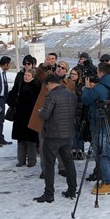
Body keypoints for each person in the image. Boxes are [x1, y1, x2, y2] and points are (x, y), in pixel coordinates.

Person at [33, 74, 77, 203]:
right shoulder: (70, 94)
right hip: (68, 133)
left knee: (49, 164)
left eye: (47, 86)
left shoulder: (51, 96)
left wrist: (40, 111)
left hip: (52, 135)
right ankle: (72, 190)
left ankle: (49, 194)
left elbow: (45, 115)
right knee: (68, 162)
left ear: (49, 84)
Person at [29, 60, 75, 179]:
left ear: (66, 71)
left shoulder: (69, 83)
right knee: (44, 146)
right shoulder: (47, 77)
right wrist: (44, 65)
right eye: (58, 66)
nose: (60, 69)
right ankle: (45, 170)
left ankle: (63, 167)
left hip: (59, 119)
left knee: (61, 146)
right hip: (44, 117)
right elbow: (39, 73)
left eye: (63, 68)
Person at [81, 62, 110, 195]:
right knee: (108, 153)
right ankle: (108, 180)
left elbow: (86, 100)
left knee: (101, 154)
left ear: (101, 73)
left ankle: (108, 182)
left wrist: (87, 88)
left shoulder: (101, 87)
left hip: (100, 123)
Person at [8, 68, 40, 167]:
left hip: (31, 116)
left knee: (31, 141)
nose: (26, 77)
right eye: (25, 75)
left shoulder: (36, 86)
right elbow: (11, 97)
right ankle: (21, 160)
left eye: (28, 75)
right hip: (19, 116)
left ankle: (32, 161)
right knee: (20, 140)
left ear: (33, 77)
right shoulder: (19, 84)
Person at [69, 66, 86, 160]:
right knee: (72, 132)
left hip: (79, 111)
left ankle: (80, 149)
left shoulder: (82, 86)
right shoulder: (68, 83)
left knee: (79, 131)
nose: (72, 76)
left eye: (74, 74)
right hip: (70, 111)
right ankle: (73, 149)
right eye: (71, 73)